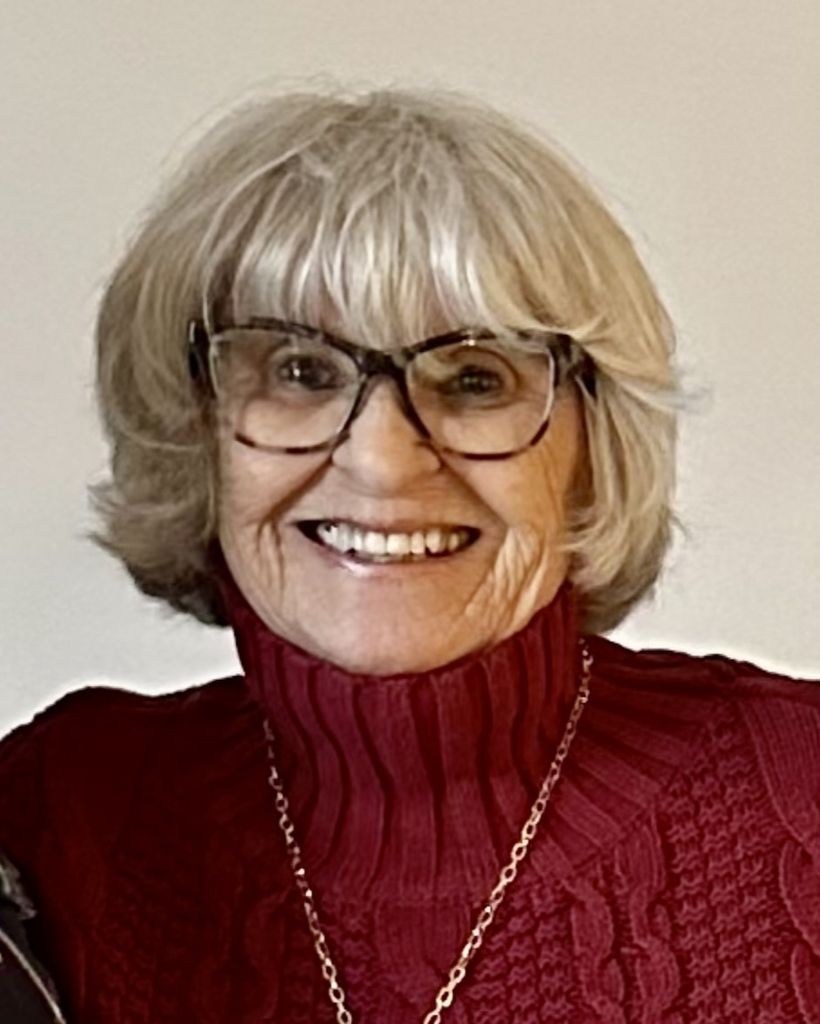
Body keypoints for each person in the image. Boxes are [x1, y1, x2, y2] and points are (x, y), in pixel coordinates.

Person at [0, 87, 818, 1024]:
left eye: (474, 379)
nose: (383, 462)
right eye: (300, 372)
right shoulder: (57, 816)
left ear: (592, 445)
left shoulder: (802, 794)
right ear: (196, 433)